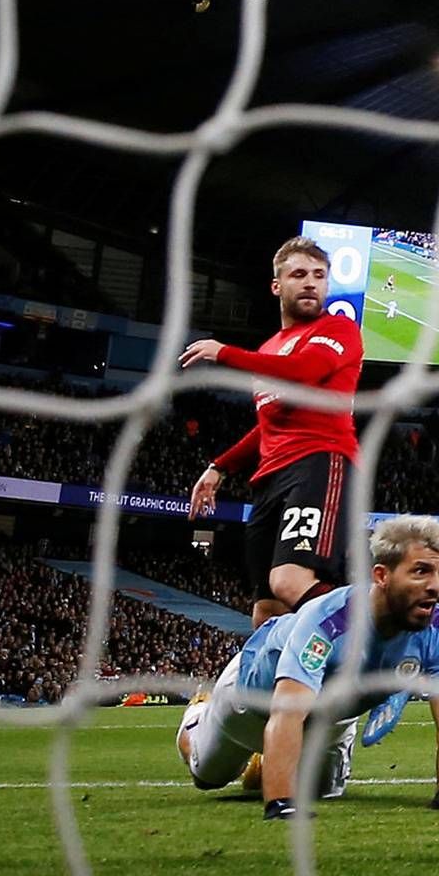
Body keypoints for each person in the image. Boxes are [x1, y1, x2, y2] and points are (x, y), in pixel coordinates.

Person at [174, 516, 439, 818]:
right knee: (207, 776)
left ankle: (269, 762)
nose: (435, 586)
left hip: (329, 713)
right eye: (421, 571)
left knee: (323, 792)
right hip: (255, 699)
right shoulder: (327, 622)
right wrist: (281, 802)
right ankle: (198, 715)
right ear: (382, 575)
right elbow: (288, 710)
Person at [182, 236, 362, 631]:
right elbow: (267, 424)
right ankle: (263, 695)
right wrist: (218, 467)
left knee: (290, 581)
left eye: (319, 275)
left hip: (318, 462)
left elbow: (306, 372)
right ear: (277, 286)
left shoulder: (339, 329)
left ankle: (371, 635)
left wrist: (224, 352)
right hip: (268, 481)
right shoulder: (270, 348)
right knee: (266, 611)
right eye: (299, 274)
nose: (311, 283)